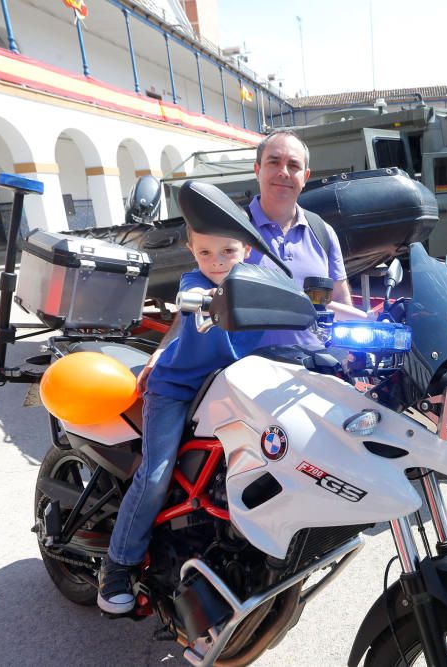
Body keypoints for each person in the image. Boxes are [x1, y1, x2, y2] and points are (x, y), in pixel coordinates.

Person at [98, 200, 261, 614]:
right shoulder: (194, 285)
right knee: (155, 474)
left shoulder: (262, 283)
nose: (216, 261)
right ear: (191, 252)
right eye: (205, 253)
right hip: (176, 389)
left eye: (227, 251)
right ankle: (117, 565)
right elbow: (200, 299)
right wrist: (161, 351)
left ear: (247, 250)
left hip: (226, 391)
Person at [246, 130, 365, 348]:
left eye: (293, 166)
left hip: (313, 372)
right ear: (257, 170)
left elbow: (339, 299)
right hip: (246, 371)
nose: (284, 172)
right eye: (274, 162)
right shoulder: (234, 229)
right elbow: (200, 296)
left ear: (305, 176)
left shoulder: (323, 232)